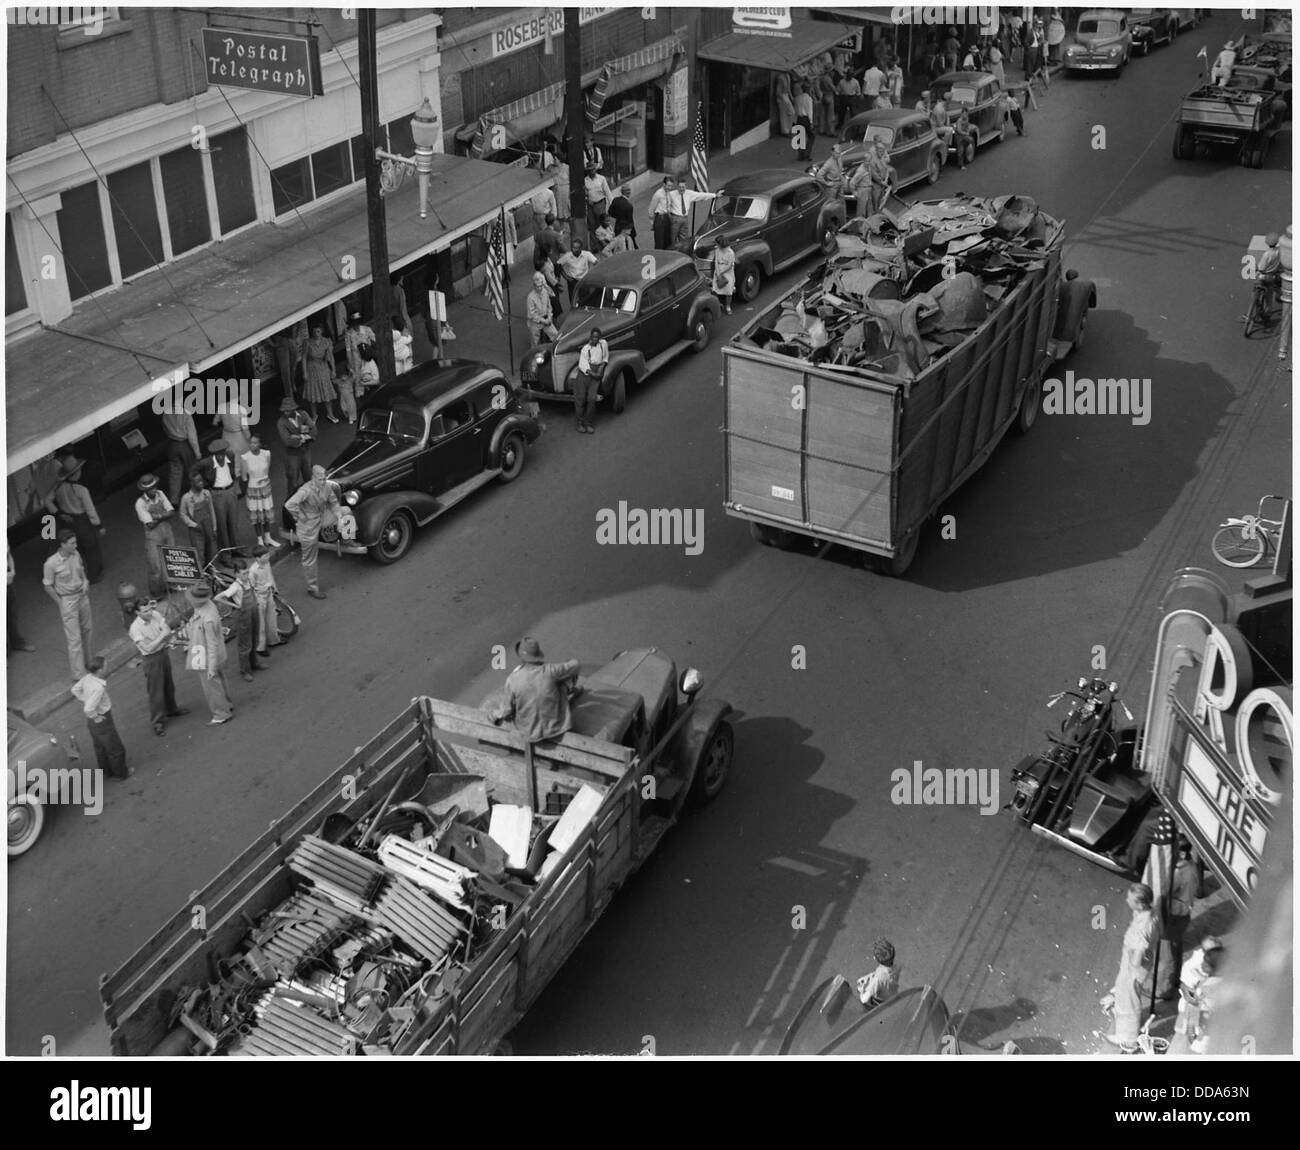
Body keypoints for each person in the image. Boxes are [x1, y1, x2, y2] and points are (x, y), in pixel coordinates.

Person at [489, 636, 581, 742]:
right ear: (537, 655)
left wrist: (495, 714)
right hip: (555, 728)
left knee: (517, 698)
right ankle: (570, 691)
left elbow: (506, 711)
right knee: (561, 682)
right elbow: (576, 665)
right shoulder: (551, 670)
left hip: (528, 732)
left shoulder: (512, 679)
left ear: (522, 657)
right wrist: (569, 661)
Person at [1100, 882, 1155, 1051]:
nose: (1126, 900)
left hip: (1134, 967)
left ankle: (1129, 1038)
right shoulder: (1147, 914)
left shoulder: (1141, 926)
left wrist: (1130, 969)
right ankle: (1124, 1023)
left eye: (1130, 899)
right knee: (1126, 995)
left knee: (1129, 1000)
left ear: (1139, 903)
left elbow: (1137, 956)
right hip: (1135, 964)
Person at [128, 597, 187, 736]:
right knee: (155, 691)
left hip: (162, 652)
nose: (149, 613)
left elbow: (166, 628)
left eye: (149, 609)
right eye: (145, 611)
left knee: (168, 684)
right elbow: (148, 648)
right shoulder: (135, 629)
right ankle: (157, 722)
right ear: (137, 613)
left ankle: (172, 709)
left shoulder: (156, 614)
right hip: (151, 659)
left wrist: (160, 639)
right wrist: (162, 637)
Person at [43, 454, 105, 583]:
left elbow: (47, 501)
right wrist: (99, 525)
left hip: (68, 521)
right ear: (77, 472)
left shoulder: (58, 487)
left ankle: (81, 574)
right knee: (91, 547)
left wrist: (59, 513)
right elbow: (90, 510)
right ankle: (93, 576)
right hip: (83, 521)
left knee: (78, 548)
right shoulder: (81, 490)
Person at [284, 465, 340, 600]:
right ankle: (312, 588)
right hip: (308, 525)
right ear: (313, 478)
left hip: (322, 515)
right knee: (310, 558)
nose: (323, 482)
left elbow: (333, 501)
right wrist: (300, 517)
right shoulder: (305, 491)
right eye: (320, 479)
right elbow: (289, 504)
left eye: (325, 479)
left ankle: (348, 539)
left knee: (347, 513)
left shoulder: (326, 487)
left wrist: (339, 515)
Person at [43, 531, 94, 679]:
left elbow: (81, 570)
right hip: (68, 600)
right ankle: (79, 674)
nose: (75, 545)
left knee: (88, 630)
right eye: (72, 543)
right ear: (62, 544)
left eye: (75, 542)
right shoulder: (51, 563)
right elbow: (48, 585)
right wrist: (60, 603)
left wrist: (85, 581)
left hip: (82, 596)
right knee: (74, 639)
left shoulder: (75, 554)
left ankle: (89, 663)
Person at [1154, 841, 1201, 1000]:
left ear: (1181, 854)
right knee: (1176, 948)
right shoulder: (1191, 866)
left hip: (1174, 915)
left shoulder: (1181, 872)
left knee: (1166, 953)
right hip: (1182, 914)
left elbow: (1165, 891)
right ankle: (1174, 981)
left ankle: (1163, 989)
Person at [72, 655, 128, 778]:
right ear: (100, 670)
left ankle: (106, 772)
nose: (107, 667)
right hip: (102, 719)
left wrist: (85, 699)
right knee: (115, 748)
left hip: (91, 723)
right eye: (105, 666)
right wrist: (96, 716)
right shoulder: (98, 688)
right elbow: (88, 709)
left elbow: (75, 690)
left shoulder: (87, 678)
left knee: (100, 747)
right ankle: (121, 773)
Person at [185, 582, 233, 725]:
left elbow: (212, 644)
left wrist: (211, 668)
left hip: (207, 656)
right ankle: (227, 704)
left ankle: (221, 713)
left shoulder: (208, 619)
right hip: (215, 653)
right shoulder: (207, 606)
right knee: (221, 681)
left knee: (211, 687)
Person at [1170, 937, 1224, 1055]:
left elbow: (1194, 1013)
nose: (1202, 963)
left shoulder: (1204, 988)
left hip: (1199, 1031)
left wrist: (1191, 1034)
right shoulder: (1225, 982)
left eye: (1205, 961)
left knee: (1182, 1046)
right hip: (1213, 1031)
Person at [215, 557, 262, 683]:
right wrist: (235, 606)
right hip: (243, 616)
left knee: (254, 638)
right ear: (236, 574)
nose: (246, 576)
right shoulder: (235, 586)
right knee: (245, 644)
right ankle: (245, 670)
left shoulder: (249, 581)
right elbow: (218, 597)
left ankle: (255, 663)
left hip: (254, 612)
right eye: (243, 574)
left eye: (247, 573)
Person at [197, 439, 243, 552]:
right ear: (213, 454)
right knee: (221, 525)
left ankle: (237, 549)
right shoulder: (206, 463)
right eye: (218, 455)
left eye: (222, 453)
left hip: (230, 491)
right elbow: (194, 471)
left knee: (233, 522)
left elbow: (233, 472)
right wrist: (204, 486)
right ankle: (225, 554)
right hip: (217, 494)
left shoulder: (230, 456)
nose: (221, 457)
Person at [134, 474, 176, 599]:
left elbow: (172, 512)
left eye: (155, 486)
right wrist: (164, 515)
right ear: (145, 490)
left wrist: (157, 516)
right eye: (151, 488)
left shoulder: (161, 494)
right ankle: (157, 593)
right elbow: (150, 524)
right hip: (153, 536)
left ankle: (172, 585)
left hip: (166, 531)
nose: (154, 489)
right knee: (155, 566)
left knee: (171, 559)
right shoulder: (140, 503)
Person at [239, 435, 278, 546]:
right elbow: (244, 477)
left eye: (255, 443)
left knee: (266, 512)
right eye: (251, 442)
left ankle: (267, 537)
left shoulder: (266, 454)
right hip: (253, 489)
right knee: (256, 515)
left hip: (265, 487)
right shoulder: (245, 457)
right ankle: (259, 539)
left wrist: (264, 480)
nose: (252, 445)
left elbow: (267, 470)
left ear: (260, 444)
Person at [277, 397, 316, 503]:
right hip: (292, 455)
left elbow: (313, 430)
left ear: (294, 409)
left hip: (306, 451)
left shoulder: (303, 414)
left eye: (288, 410)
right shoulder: (281, 422)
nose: (285, 412)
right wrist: (303, 436)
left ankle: (312, 500)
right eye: (284, 410)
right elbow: (287, 441)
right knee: (293, 480)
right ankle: (291, 502)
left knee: (309, 477)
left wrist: (296, 436)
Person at [161, 405, 201, 508]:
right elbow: (192, 436)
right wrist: (197, 452)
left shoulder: (166, 413)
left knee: (175, 472)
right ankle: (197, 496)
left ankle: (174, 500)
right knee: (193, 471)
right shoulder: (186, 414)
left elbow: (165, 429)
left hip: (172, 444)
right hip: (185, 444)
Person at [179, 470, 218, 570]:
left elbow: (211, 510)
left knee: (210, 547)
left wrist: (214, 527)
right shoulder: (186, 498)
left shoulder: (206, 493)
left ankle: (210, 568)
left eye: (201, 480)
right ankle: (201, 571)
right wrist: (193, 524)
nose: (201, 483)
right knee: (199, 549)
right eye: (198, 481)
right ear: (192, 483)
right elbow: (182, 514)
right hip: (196, 528)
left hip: (208, 524)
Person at [248, 545, 282, 656]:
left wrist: (275, 588)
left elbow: (270, 576)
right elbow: (251, 588)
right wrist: (255, 601)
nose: (268, 557)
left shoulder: (267, 564)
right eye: (265, 555)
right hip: (259, 598)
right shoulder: (252, 571)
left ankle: (274, 640)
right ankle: (260, 648)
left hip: (269, 594)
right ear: (257, 558)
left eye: (267, 555)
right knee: (261, 624)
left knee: (271, 618)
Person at [302, 325, 340, 423]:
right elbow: (304, 358)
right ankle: (314, 415)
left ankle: (330, 414)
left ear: (321, 331)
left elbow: (330, 357)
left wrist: (333, 370)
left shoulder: (327, 341)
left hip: (323, 366)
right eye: (314, 331)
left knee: (326, 390)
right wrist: (304, 372)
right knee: (312, 392)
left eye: (318, 331)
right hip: (312, 368)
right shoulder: (307, 342)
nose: (316, 333)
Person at [574, 326, 608, 434]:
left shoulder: (603, 344)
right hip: (585, 373)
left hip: (596, 373)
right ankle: (580, 423)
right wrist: (593, 373)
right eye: (593, 337)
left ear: (600, 338)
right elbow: (583, 365)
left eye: (597, 337)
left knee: (592, 399)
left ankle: (588, 423)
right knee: (581, 398)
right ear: (590, 337)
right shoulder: (585, 349)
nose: (595, 339)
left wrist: (601, 369)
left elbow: (605, 358)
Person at [668, 178, 717, 250]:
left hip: (685, 219)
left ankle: (682, 252)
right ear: (677, 187)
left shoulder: (689, 193)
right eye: (680, 187)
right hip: (675, 218)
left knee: (684, 239)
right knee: (672, 237)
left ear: (686, 186)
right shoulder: (671, 194)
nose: (681, 189)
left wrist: (715, 195)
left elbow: (701, 195)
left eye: (683, 187)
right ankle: (671, 252)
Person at [856, 938, 901, 1009]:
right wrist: (871, 976)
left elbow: (864, 1000)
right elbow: (886, 974)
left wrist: (862, 990)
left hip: (882, 1002)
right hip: (893, 995)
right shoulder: (897, 966)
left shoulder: (877, 980)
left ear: (875, 959)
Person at [8, 545, 35, 654]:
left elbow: (8, 555)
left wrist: (12, 571)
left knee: (12, 614)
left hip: (8, 583)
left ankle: (17, 642)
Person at [557, 240, 599, 304]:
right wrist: (566, 277)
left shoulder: (587, 254)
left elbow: (596, 263)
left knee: (585, 299)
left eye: (576, 248)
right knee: (573, 299)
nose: (574, 250)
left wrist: (591, 274)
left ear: (581, 248)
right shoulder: (567, 256)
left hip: (584, 280)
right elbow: (558, 265)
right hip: (572, 281)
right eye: (573, 247)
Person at [864, 138, 895, 216]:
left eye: (883, 152)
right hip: (876, 184)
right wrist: (882, 182)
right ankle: (874, 216)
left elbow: (886, 168)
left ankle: (879, 215)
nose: (883, 153)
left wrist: (886, 179)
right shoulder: (873, 161)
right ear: (876, 151)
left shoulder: (882, 158)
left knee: (881, 201)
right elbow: (874, 174)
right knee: (875, 201)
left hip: (883, 183)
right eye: (880, 152)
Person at [526, 271, 559, 345]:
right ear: (534, 286)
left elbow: (549, 307)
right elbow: (532, 314)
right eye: (537, 286)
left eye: (541, 286)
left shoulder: (545, 292)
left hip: (547, 318)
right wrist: (544, 321)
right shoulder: (530, 297)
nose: (539, 288)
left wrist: (549, 317)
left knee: (556, 336)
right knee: (535, 343)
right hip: (535, 322)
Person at [343, 312, 376, 382]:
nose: (356, 324)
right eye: (354, 322)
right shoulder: (348, 334)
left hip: (367, 357)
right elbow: (348, 350)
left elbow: (375, 341)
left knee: (371, 377)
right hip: (356, 360)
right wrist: (350, 364)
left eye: (357, 321)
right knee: (358, 380)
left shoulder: (367, 329)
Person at [584, 164, 614, 239]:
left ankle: (606, 240)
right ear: (588, 171)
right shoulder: (585, 180)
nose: (592, 171)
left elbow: (607, 192)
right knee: (592, 225)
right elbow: (584, 194)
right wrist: (587, 199)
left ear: (596, 170)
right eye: (590, 170)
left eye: (593, 169)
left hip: (600, 203)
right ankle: (594, 245)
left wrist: (612, 204)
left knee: (602, 224)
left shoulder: (601, 178)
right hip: (590, 205)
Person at [711, 234, 737, 315]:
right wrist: (718, 272)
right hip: (718, 271)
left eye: (717, 244)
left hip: (727, 273)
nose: (716, 245)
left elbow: (729, 265)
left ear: (721, 244)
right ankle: (718, 304)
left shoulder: (730, 252)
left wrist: (721, 273)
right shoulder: (717, 250)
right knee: (715, 289)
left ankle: (728, 306)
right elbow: (716, 261)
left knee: (728, 291)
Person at [609, 184, 636, 249]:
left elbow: (610, 212)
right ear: (628, 193)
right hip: (625, 229)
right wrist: (633, 232)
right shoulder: (629, 206)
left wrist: (618, 217)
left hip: (617, 225)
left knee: (617, 244)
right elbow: (630, 220)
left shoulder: (615, 200)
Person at [649, 175, 674, 248]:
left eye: (671, 186)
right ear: (664, 184)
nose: (670, 188)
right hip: (660, 218)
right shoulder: (658, 194)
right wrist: (652, 223)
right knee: (659, 242)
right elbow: (651, 209)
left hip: (667, 218)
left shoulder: (669, 193)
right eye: (668, 186)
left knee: (668, 241)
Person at [793, 82, 815, 160]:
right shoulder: (809, 98)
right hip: (806, 119)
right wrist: (811, 122)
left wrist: (794, 121)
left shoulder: (797, 98)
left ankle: (800, 155)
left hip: (799, 119)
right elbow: (810, 111)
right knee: (811, 136)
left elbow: (795, 111)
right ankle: (807, 154)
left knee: (800, 137)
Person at [952, 105, 975, 169]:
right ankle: (960, 164)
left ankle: (965, 156)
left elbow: (967, 126)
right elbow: (959, 130)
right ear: (962, 113)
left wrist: (967, 132)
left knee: (971, 140)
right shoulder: (959, 120)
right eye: (964, 113)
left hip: (964, 135)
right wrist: (965, 133)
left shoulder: (967, 119)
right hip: (959, 136)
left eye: (966, 113)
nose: (965, 114)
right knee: (960, 150)